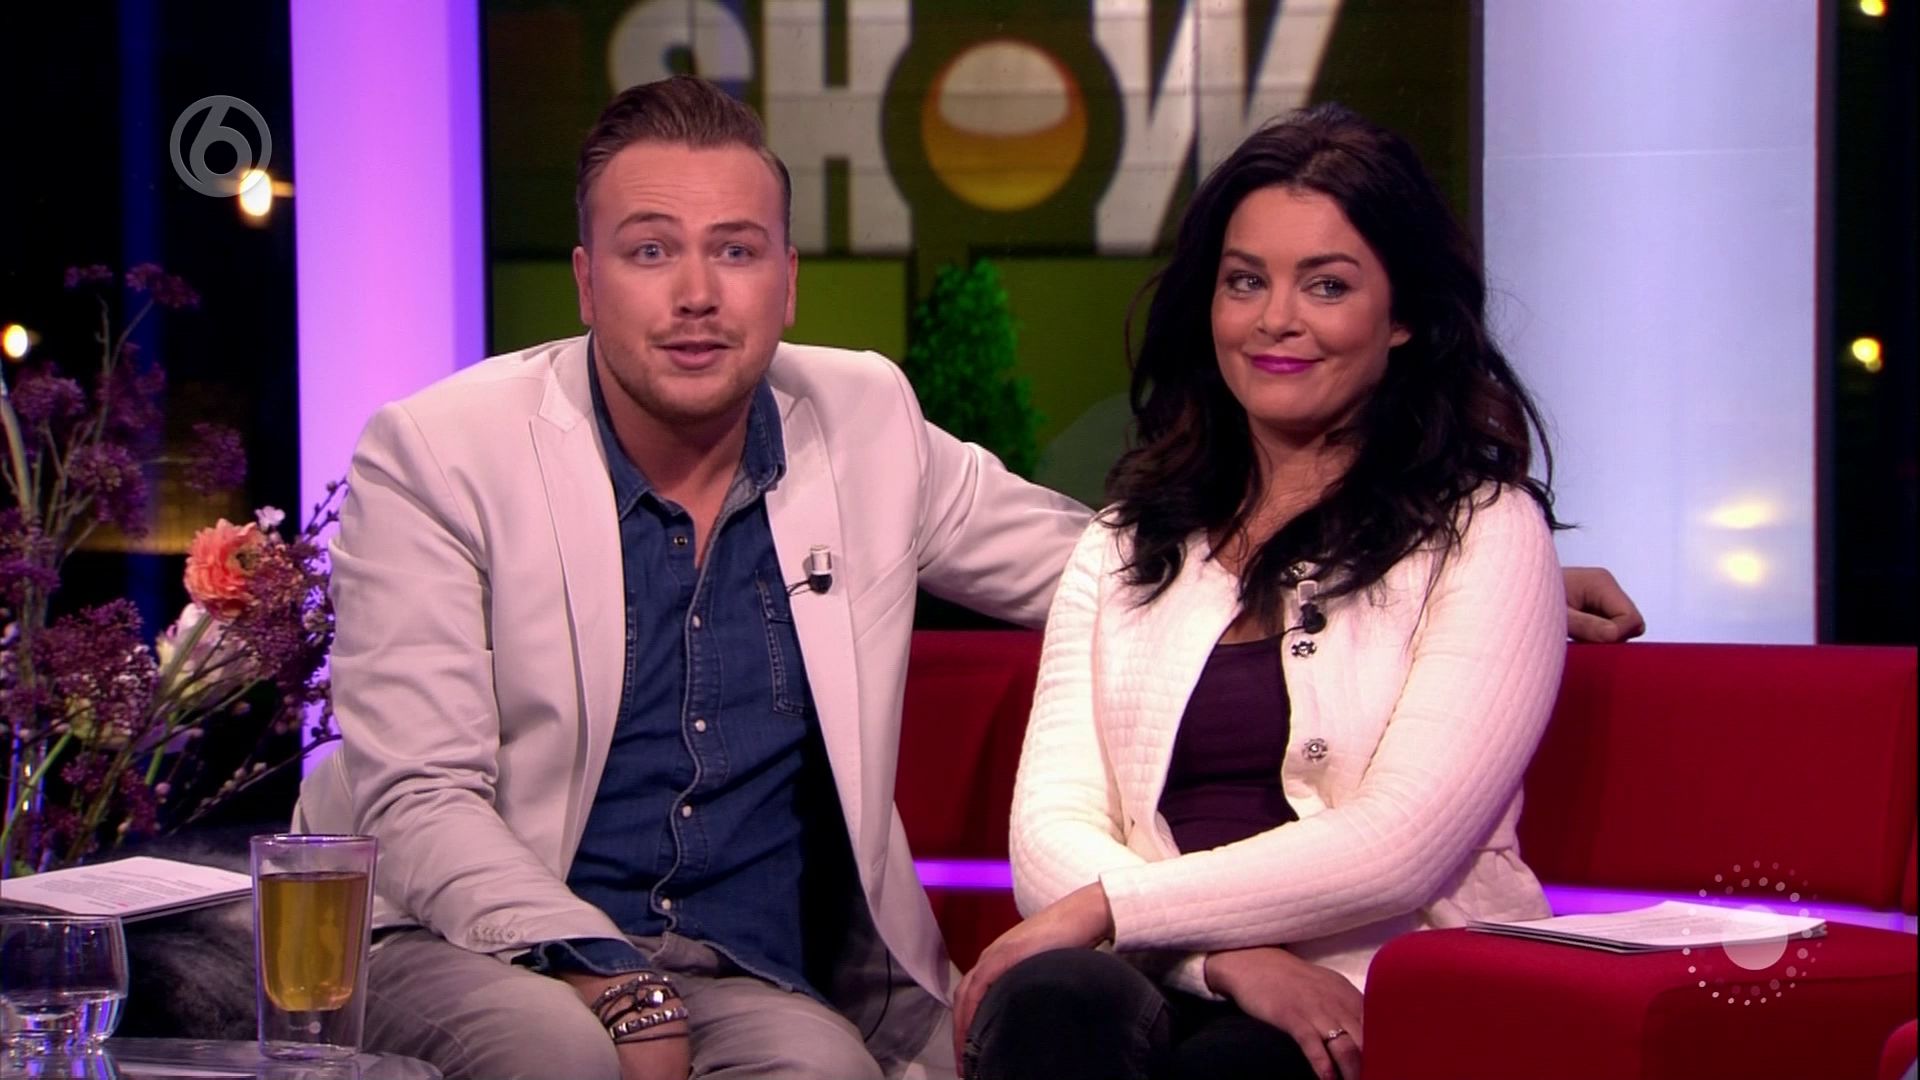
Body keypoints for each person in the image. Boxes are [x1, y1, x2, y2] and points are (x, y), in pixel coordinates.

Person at [295, 79, 1642, 1080]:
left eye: (736, 250)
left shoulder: (862, 418)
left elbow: (1111, 567)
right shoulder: (439, 452)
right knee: (568, 1058)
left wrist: (1445, 570)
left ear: (787, 280)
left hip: (749, 973)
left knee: (833, 1071)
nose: (697, 293)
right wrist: (611, 985)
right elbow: (418, 799)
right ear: (588, 280)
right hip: (482, 944)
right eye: (652, 251)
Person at [953, 103, 1578, 1080]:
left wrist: (1118, 906)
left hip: (1376, 978)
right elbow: (1048, 838)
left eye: (1327, 285)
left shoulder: (1484, 533)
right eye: (1246, 281)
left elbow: (1399, 846)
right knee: (1054, 999)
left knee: (1240, 1067)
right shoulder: (1123, 544)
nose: (1276, 319)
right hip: (1158, 976)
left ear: (1403, 315)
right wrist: (1227, 961)